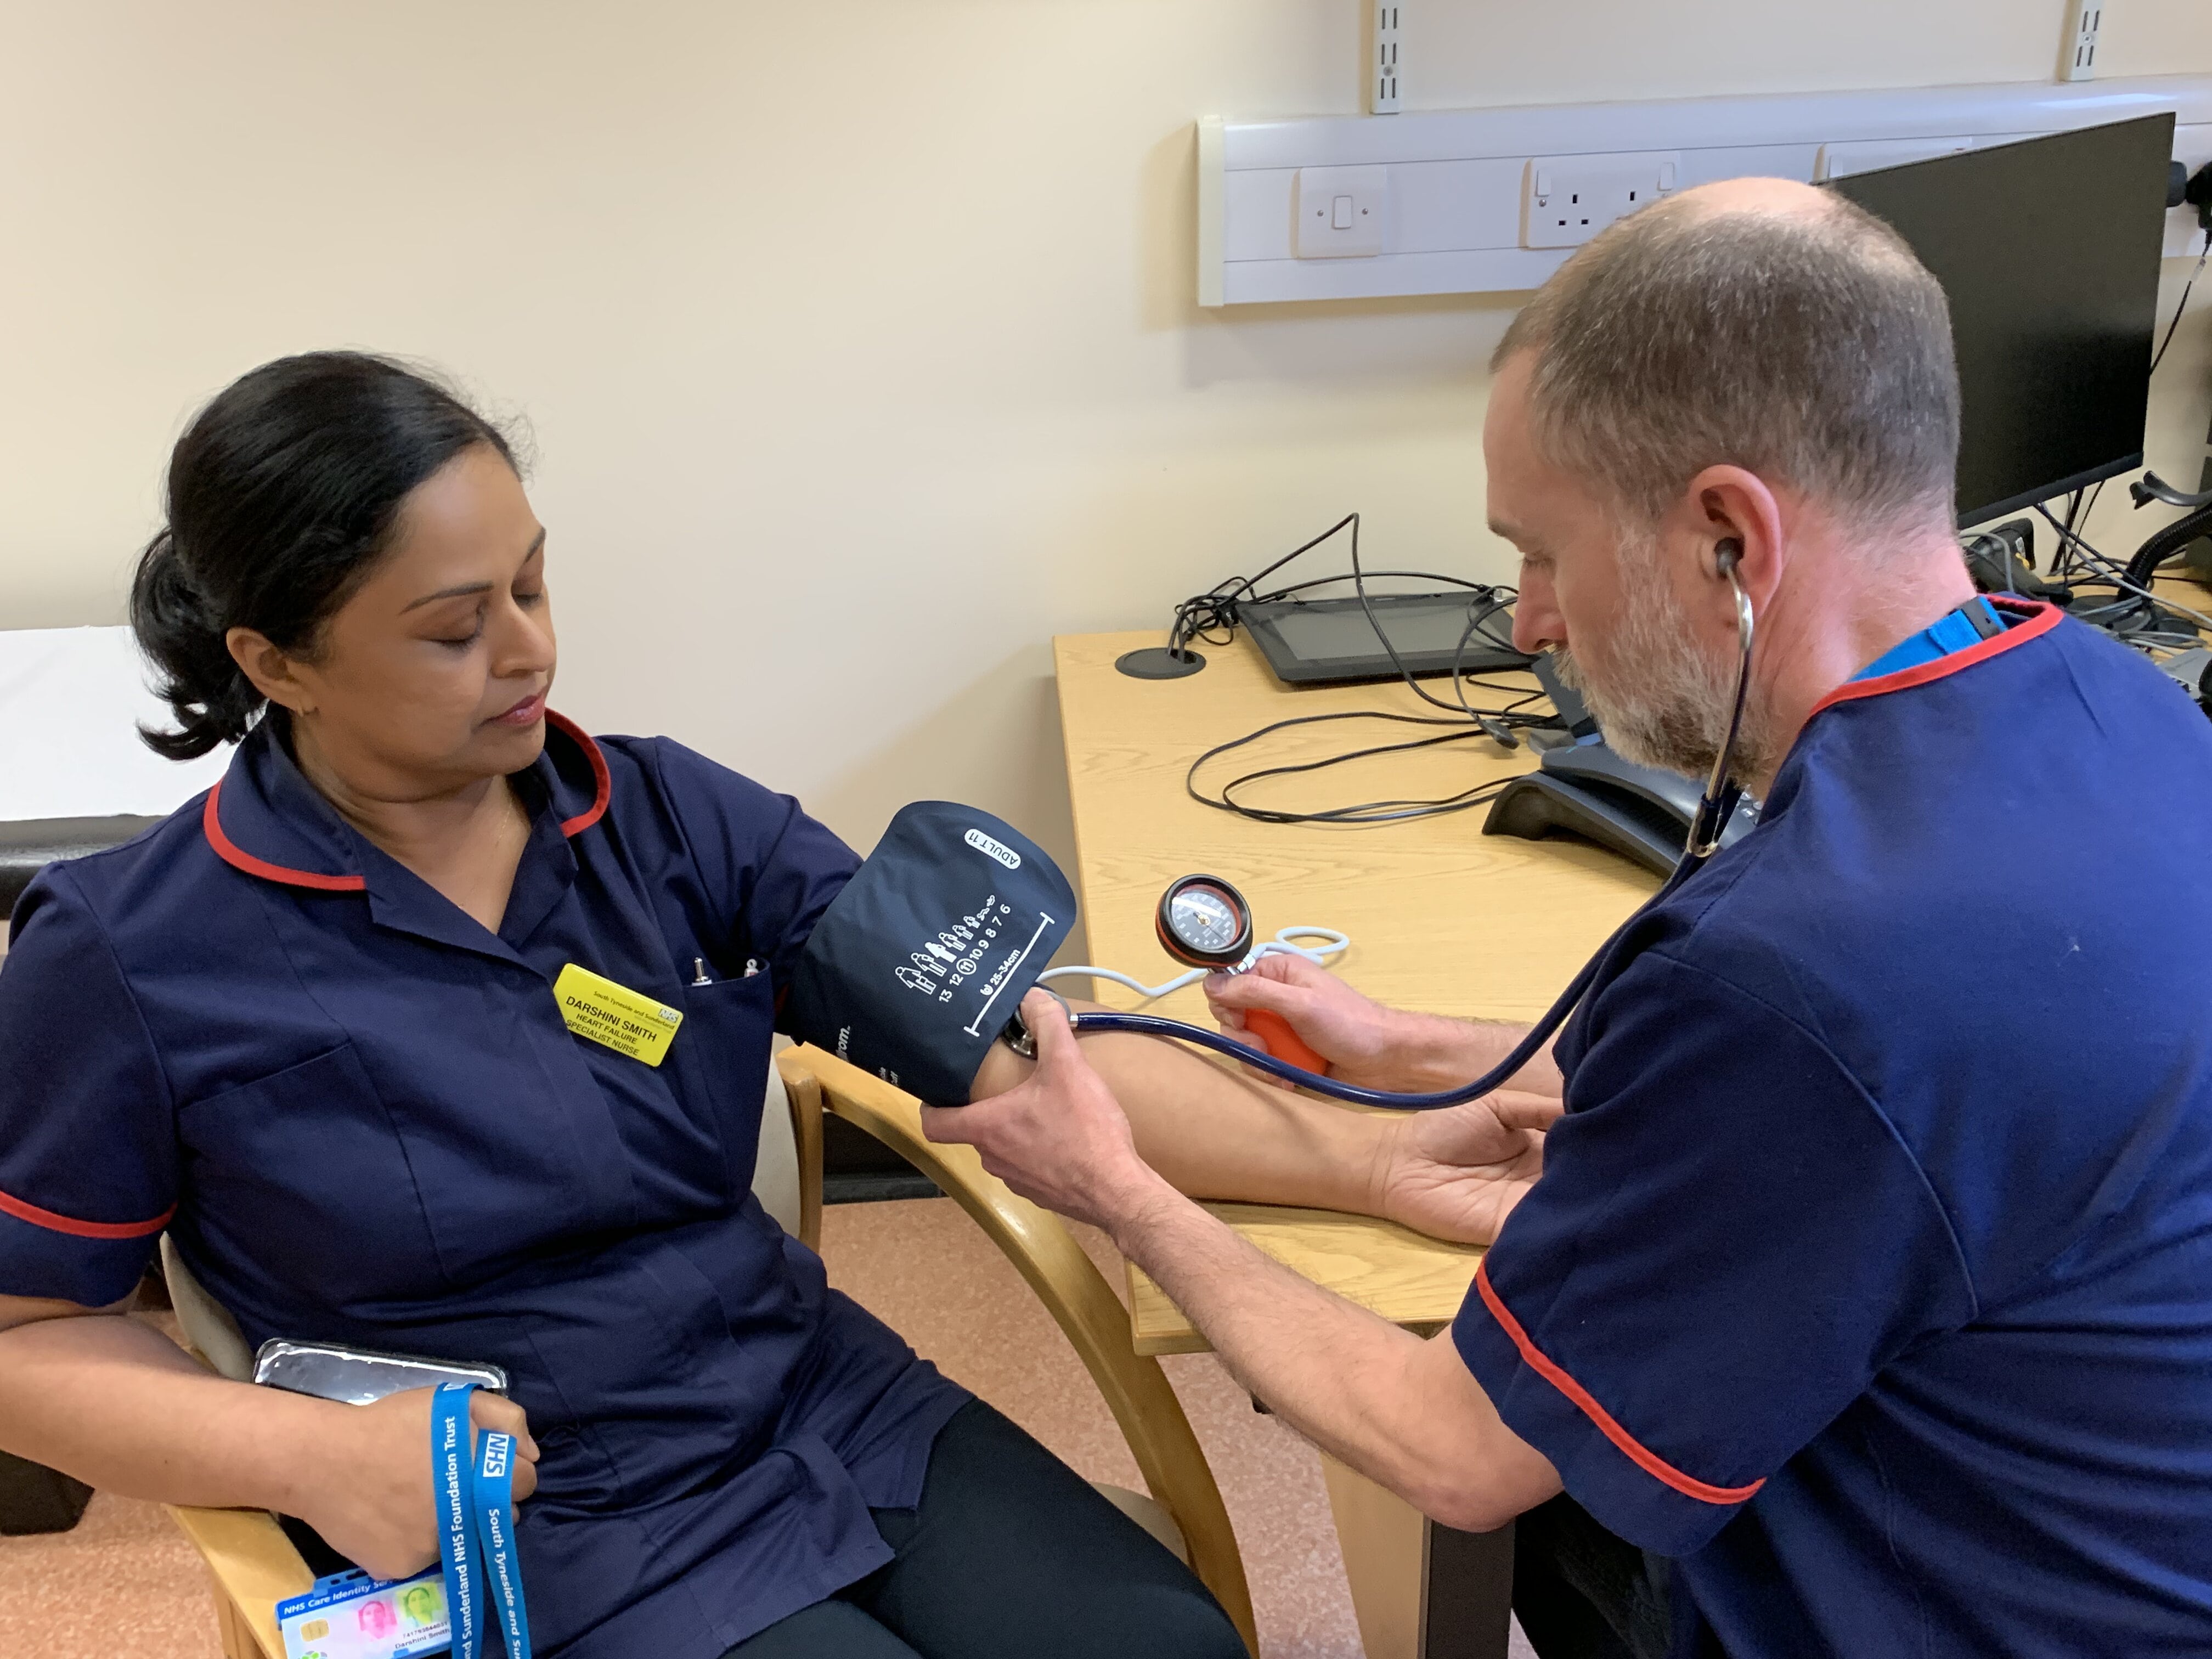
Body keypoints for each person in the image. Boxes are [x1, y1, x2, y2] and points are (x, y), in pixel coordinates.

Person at [0, 352, 1523, 1658]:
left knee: (1167, 1644)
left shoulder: (660, 818)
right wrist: (308, 1457)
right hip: (521, 1505)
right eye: (454, 627)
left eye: (533, 582)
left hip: (801, 1393)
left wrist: (1367, 1150)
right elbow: (29, 1339)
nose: (530, 648)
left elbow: (1011, 1062)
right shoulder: (131, 951)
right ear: (278, 661)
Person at [930, 178, 2212, 1656]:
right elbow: (1895, 1106)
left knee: (1520, 1474)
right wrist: (1400, 1046)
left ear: (1731, 538)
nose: (1531, 620)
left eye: (1542, 551)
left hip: (1972, 1605)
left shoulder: (1802, 980)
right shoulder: (2104, 697)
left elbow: (1454, 1452)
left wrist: (1119, 1195)